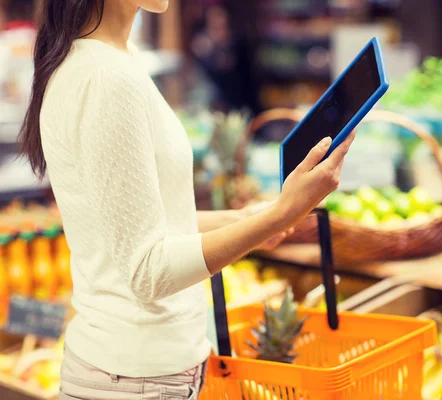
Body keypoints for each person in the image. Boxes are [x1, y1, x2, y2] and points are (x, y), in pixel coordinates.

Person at [18, 1, 353, 399]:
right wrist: (282, 214)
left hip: (130, 374)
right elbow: (148, 271)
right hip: (136, 379)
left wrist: (241, 220)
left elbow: (142, 227)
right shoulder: (107, 77)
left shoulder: (98, 60)